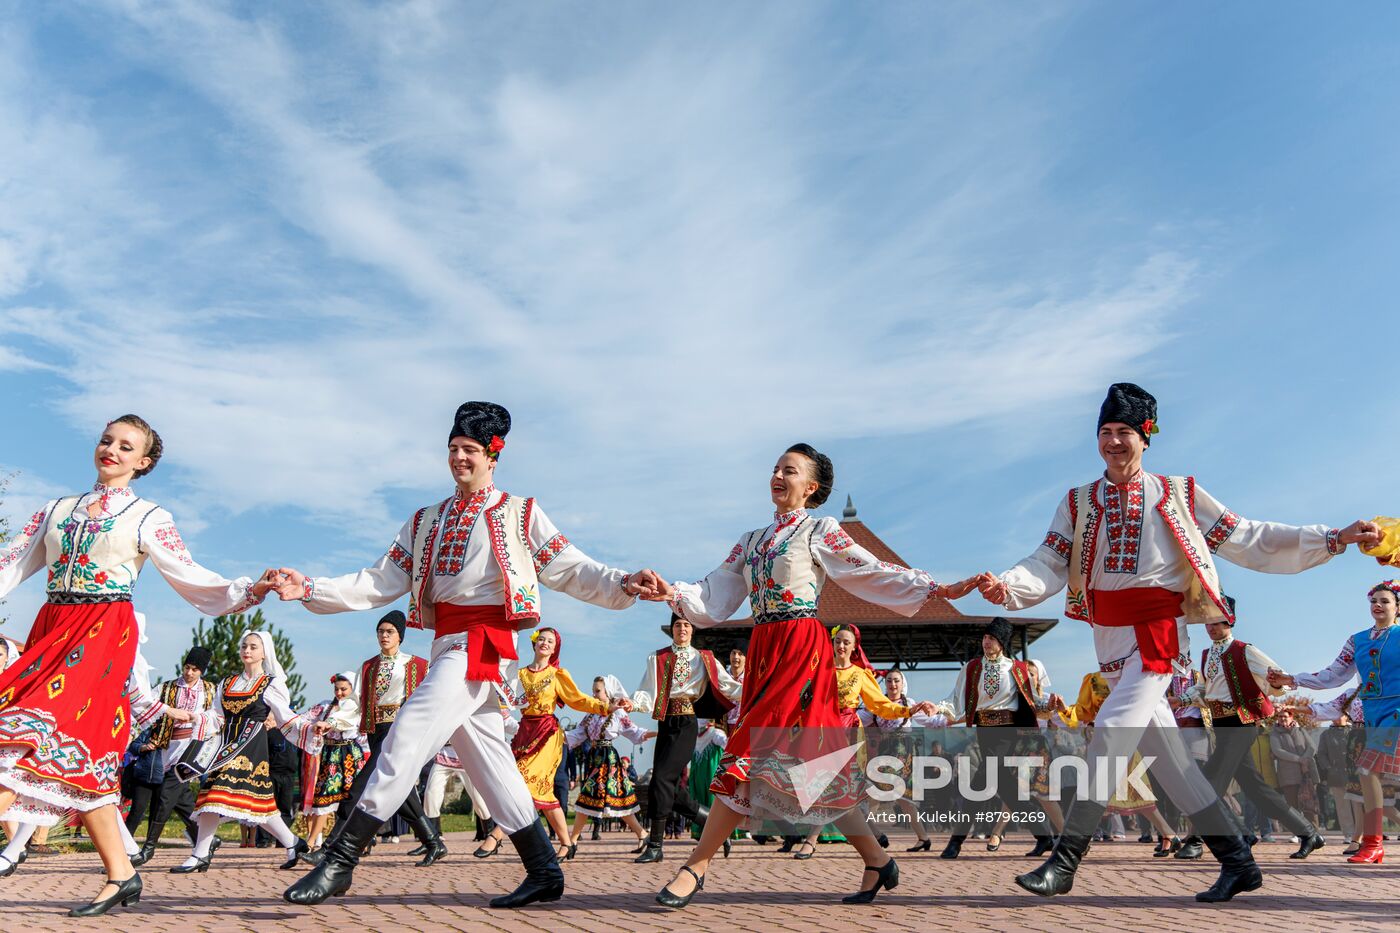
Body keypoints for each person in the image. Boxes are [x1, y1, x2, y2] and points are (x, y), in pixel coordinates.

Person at [978, 383, 1377, 902]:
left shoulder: (1179, 494)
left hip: (1157, 637)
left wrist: (1333, 538)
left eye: (1125, 432)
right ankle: (1238, 861)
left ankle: (1066, 858)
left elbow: (1248, 536)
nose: (1114, 442)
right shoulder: (1078, 502)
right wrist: (1007, 586)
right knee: (1174, 765)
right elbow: (1049, 561)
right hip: (1109, 640)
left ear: (1146, 438)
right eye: (1105, 433)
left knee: (1113, 728)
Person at [278, 401, 661, 908]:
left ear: (493, 456)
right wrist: (311, 588)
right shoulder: (425, 521)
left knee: (406, 735)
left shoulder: (519, 513)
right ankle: (544, 870)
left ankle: (340, 860)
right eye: (453, 449)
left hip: (482, 645)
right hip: (445, 645)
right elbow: (379, 580)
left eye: (470, 450)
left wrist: (623, 582)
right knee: (490, 764)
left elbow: (572, 568)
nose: (459, 458)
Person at [648, 442, 980, 908]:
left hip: (802, 654)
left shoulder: (818, 529)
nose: (778, 476)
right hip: (765, 651)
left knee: (748, 751)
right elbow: (715, 593)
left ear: (812, 487)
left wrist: (932, 587)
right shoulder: (751, 541)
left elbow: (868, 569)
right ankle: (877, 861)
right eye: (776, 468)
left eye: (790, 470)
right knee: (813, 775)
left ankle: (695, 867)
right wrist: (673, 592)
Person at [0, 414, 278, 915]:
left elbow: (190, 576)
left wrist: (246, 590)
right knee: (75, 754)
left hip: (103, 634)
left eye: (127, 446)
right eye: (107, 440)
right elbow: (10, 563)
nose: (112, 450)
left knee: (20, 734)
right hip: (52, 629)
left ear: (144, 462)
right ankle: (122, 874)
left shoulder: (148, 516)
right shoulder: (57, 509)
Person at [1166, 597, 1325, 860]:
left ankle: (1196, 839)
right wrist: (1181, 700)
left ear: (1230, 620)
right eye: (1208, 622)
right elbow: (1207, 690)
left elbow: (1277, 677)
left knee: (1210, 782)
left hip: (1241, 723)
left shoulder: (1244, 650)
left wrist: (1273, 683)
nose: (1211, 627)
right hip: (1221, 724)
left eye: (1217, 621)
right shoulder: (1208, 654)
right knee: (1256, 789)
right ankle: (1308, 833)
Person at [1269, 580, 1400, 864]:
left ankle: (1373, 843)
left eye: (1385, 601)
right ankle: (1373, 844)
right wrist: (1292, 680)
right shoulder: (1357, 640)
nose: (1377, 605)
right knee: (1367, 773)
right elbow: (1332, 675)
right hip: (1374, 716)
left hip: (1397, 711)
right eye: (1373, 601)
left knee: (1368, 771)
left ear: (1397, 607)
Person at [304, 610, 440, 867]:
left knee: (360, 788)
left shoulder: (417, 665)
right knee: (396, 790)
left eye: (389, 632)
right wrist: (331, 721)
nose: (384, 636)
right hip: (378, 731)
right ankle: (433, 841)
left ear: (400, 636)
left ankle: (331, 848)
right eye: (380, 631)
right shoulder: (368, 666)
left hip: (401, 730)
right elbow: (354, 703)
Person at [793, 624, 939, 859]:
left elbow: (881, 706)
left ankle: (811, 841)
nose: (841, 645)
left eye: (846, 642)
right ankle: (872, 834)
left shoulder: (860, 675)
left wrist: (908, 711)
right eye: (838, 640)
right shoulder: (818, 670)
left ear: (854, 647)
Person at [477, 627, 618, 861]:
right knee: (542, 792)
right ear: (534, 644)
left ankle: (497, 833)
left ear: (555, 649)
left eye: (550, 641)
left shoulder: (557, 674)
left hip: (548, 733)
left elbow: (578, 699)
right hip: (525, 732)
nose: (545, 643)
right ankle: (566, 843)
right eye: (541, 639)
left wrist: (605, 707)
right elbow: (503, 697)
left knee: (523, 781)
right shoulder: (519, 674)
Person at [174, 631, 308, 874]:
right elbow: (216, 716)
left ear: (264, 652)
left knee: (216, 795)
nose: (247, 650)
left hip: (251, 746)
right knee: (257, 805)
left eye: (253, 647)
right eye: (244, 646)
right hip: (227, 744)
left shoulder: (271, 683)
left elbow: (285, 716)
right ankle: (294, 843)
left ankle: (200, 854)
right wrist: (196, 718)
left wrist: (309, 726)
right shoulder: (227, 683)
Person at [935, 618, 1058, 860]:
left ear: (1001, 642)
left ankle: (955, 842)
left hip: (1007, 732)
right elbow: (955, 698)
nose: (986, 642)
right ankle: (1043, 835)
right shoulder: (972, 668)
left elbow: (1034, 702)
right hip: (984, 730)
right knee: (1007, 789)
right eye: (984, 637)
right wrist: (938, 710)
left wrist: (1051, 705)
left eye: (991, 638)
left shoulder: (1017, 668)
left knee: (980, 782)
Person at [631, 614, 743, 863]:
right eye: (678, 625)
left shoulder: (704, 658)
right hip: (665, 721)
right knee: (667, 786)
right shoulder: (657, 657)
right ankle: (711, 825)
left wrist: (756, 691)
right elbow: (647, 690)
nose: (682, 629)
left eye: (686, 625)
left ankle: (655, 846)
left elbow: (729, 687)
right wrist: (632, 703)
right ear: (672, 629)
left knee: (661, 779)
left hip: (686, 722)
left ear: (692, 630)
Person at [130, 647, 219, 866]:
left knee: (164, 795)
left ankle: (149, 847)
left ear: (202, 671)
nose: (189, 673)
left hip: (190, 750)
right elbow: (145, 704)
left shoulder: (210, 691)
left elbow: (217, 715)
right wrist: (167, 711)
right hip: (164, 747)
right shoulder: (167, 687)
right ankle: (207, 840)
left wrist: (196, 717)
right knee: (181, 800)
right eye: (188, 667)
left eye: (195, 669)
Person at [568, 676, 654, 853]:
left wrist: (658, 733)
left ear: (608, 692)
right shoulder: (591, 713)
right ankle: (642, 834)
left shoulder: (619, 713)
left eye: (597, 691)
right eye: (593, 691)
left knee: (613, 801)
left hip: (609, 761)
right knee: (589, 800)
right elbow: (577, 734)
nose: (594, 694)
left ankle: (572, 842)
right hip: (595, 760)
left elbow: (635, 732)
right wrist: (557, 736)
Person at [285, 672, 368, 852]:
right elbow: (302, 719)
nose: (339, 693)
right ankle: (313, 842)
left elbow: (356, 731)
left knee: (355, 801)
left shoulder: (356, 708)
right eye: (337, 689)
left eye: (344, 689)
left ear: (353, 689)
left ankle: (361, 840)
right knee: (322, 799)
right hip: (329, 755)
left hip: (350, 755)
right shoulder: (324, 707)